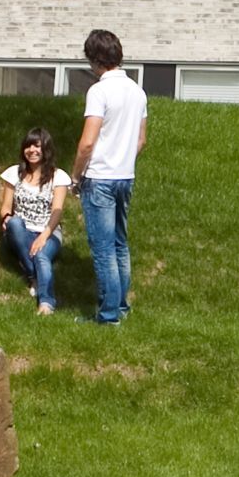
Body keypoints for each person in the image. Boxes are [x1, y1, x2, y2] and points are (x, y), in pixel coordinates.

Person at [74, 28, 147, 325]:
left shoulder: (99, 91)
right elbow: (141, 141)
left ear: (94, 59)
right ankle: (122, 309)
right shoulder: (137, 91)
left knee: (103, 250)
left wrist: (76, 176)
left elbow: (87, 143)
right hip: (125, 177)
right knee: (119, 245)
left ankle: (108, 316)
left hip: (100, 178)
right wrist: (123, 159)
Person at [0, 127, 72, 313]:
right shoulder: (14, 173)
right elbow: (6, 206)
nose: (32, 150)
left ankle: (46, 303)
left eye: (37, 146)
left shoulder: (58, 176)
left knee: (41, 255)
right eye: (28, 146)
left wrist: (44, 237)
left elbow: (57, 212)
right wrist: (6, 218)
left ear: (46, 149)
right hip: (21, 231)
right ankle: (35, 276)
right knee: (14, 222)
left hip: (48, 231)